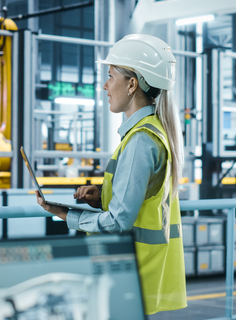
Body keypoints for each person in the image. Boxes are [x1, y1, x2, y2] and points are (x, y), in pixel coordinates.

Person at [36, 34, 187, 315]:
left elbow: (119, 221)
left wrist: (67, 215)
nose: (105, 86)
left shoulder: (141, 141)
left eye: (110, 76)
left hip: (133, 272)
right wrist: (103, 196)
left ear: (132, 84)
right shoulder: (152, 132)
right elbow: (139, 204)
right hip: (144, 271)